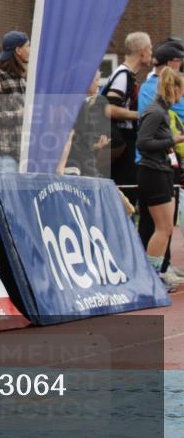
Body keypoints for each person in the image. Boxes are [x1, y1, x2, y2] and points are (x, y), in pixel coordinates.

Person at [137, 41, 184, 283]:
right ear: (173, 89)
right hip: (153, 172)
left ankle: (154, 275)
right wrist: (171, 140)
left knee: (165, 229)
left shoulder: (162, 111)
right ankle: (151, 277)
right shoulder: (155, 112)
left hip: (161, 170)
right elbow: (143, 143)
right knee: (161, 228)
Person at [101, 31, 153, 201]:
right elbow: (108, 108)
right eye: (150, 49)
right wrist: (140, 115)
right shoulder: (122, 76)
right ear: (143, 51)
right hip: (121, 143)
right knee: (125, 194)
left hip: (126, 142)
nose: (152, 54)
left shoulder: (127, 75)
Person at [0, 31, 30, 174]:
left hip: (22, 155)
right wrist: (21, 115)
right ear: (18, 50)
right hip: (4, 155)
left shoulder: (22, 80)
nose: (30, 50)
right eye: (28, 46)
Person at [57, 70, 110, 178]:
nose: (99, 84)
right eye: (96, 80)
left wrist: (96, 146)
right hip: (76, 168)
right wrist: (60, 168)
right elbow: (69, 136)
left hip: (80, 165)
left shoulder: (77, 103)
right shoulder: (80, 104)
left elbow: (79, 142)